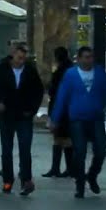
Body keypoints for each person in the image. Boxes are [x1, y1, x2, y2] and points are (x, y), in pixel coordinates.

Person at [50, 46, 106, 198]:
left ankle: (92, 175)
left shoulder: (100, 73)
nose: (89, 60)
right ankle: (79, 184)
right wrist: (55, 118)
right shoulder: (71, 75)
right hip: (77, 119)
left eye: (91, 57)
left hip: (96, 118)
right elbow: (62, 97)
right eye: (86, 57)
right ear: (79, 59)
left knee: (101, 150)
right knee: (79, 151)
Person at [0, 43, 46, 196]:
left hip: (24, 115)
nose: (21, 61)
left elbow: (38, 91)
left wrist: (31, 110)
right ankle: (7, 180)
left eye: (24, 58)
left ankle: (26, 180)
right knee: (7, 148)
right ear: (12, 55)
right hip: (7, 114)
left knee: (25, 148)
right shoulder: (1, 68)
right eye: (19, 58)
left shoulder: (30, 70)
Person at [42, 46, 75, 178]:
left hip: (60, 108)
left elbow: (53, 90)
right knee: (64, 138)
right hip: (69, 108)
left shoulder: (60, 71)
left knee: (60, 138)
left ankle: (58, 168)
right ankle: (68, 168)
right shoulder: (72, 70)